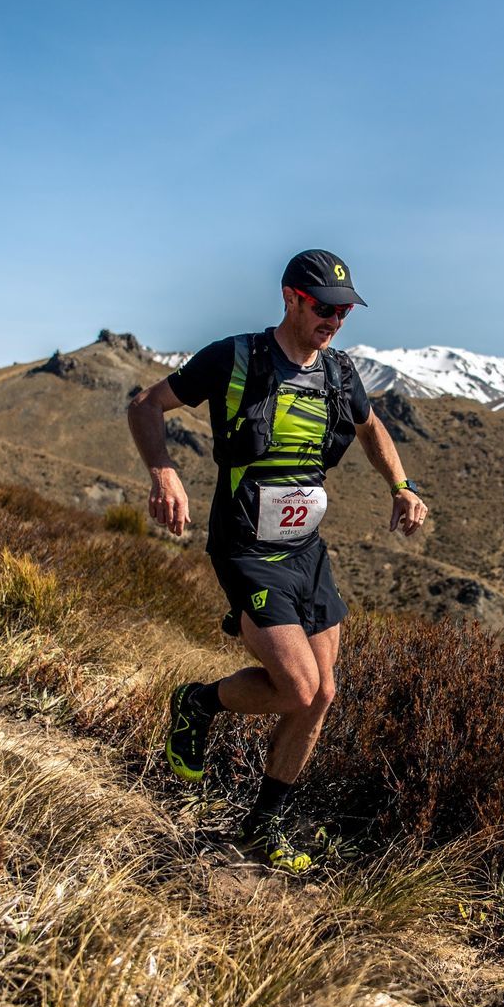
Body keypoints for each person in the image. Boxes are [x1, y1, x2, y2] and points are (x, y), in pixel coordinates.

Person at [126, 249, 428, 872]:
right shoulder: (234, 358)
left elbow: (372, 429)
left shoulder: (341, 374)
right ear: (291, 297)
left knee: (322, 696)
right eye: (325, 307)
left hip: (306, 551)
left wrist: (401, 486)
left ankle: (265, 828)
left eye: (345, 310)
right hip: (245, 545)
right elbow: (145, 403)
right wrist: (164, 472)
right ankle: (198, 705)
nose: (336, 320)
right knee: (296, 686)